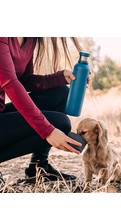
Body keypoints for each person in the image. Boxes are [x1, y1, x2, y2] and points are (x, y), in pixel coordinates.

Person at [0, 37, 87, 184]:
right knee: (60, 123)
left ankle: (39, 168)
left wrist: (60, 78)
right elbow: (10, 83)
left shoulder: (30, 38)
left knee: (60, 94)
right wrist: (47, 130)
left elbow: (24, 80)